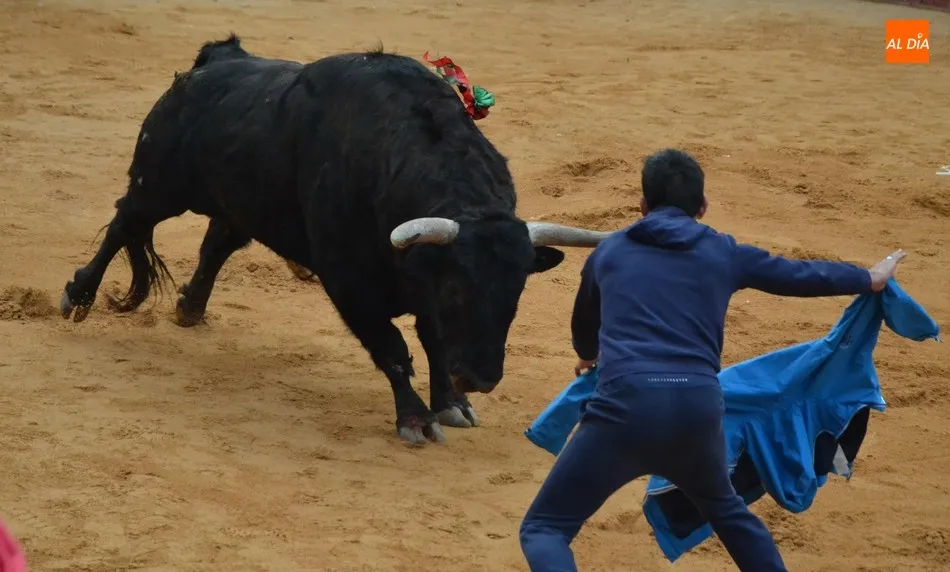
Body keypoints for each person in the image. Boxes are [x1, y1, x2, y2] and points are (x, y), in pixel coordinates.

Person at [518, 148, 906, 572]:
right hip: (697, 411)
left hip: (623, 410)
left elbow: (584, 328)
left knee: (545, 529)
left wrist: (588, 355)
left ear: (642, 206)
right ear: (702, 207)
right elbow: (798, 274)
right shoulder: (723, 251)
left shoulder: (609, 254)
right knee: (730, 514)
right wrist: (868, 278)